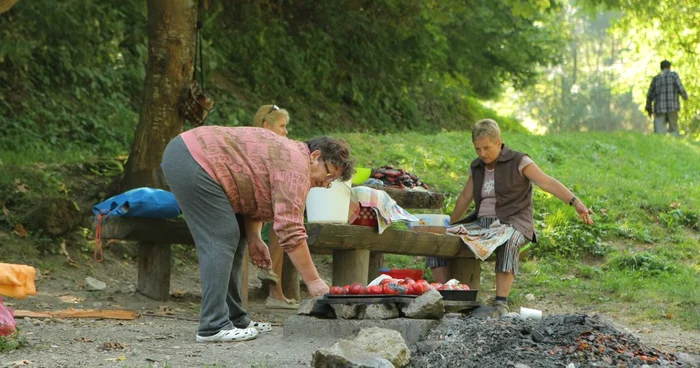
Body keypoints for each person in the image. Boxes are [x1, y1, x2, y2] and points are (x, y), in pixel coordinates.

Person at [161, 126, 354, 342]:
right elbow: (290, 230)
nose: (325, 182)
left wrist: (254, 237)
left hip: (189, 155)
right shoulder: (296, 166)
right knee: (222, 236)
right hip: (192, 159)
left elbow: (252, 193)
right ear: (316, 156)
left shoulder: (291, 156)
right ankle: (212, 325)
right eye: (328, 173)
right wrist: (314, 281)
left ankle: (235, 318)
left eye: (331, 181)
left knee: (237, 235)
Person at [426, 119, 593, 316]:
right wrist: (450, 223)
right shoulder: (477, 167)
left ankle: (501, 303)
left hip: (514, 222)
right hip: (481, 225)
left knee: (509, 240)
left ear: (499, 143)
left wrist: (576, 202)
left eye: (486, 148)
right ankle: (448, 294)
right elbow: (465, 197)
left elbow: (547, 182)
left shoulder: (519, 161)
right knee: (434, 240)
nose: (482, 153)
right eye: (477, 149)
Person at [251, 104, 299, 309]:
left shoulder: (276, 147)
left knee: (280, 229)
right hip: (244, 207)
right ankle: (275, 293)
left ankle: (275, 291)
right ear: (266, 125)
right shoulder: (253, 143)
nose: (286, 131)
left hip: (262, 208)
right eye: (282, 126)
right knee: (280, 228)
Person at [645, 59, 689, 136]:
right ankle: (675, 144)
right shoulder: (674, 76)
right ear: (669, 67)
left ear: (661, 67)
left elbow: (650, 95)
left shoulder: (656, 79)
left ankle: (660, 145)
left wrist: (648, 107)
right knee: (673, 128)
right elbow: (680, 88)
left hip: (659, 108)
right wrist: (685, 97)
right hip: (673, 106)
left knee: (659, 131)